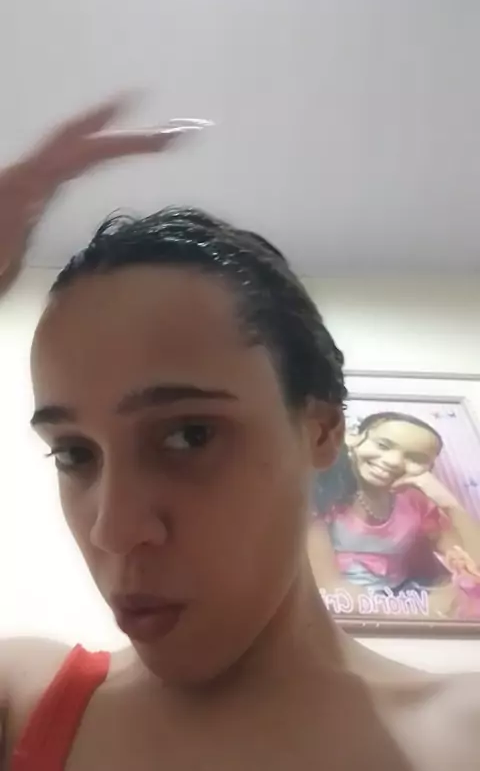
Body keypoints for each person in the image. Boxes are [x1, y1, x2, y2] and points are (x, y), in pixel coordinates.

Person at [0, 98, 478, 770]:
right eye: (75, 453)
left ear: (321, 430)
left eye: (189, 436)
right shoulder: (25, 705)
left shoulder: (463, 735)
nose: (115, 529)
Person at [309, 412, 480, 619]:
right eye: (383, 445)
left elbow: (475, 564)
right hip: (339, 605)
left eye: (416, 458)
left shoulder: (415, 502)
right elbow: (329, 587)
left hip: (400, 596)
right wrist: (423, 613)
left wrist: (449, 503)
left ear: (429, 468)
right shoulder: (322, 494)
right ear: (353, 438)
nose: (394, 461)